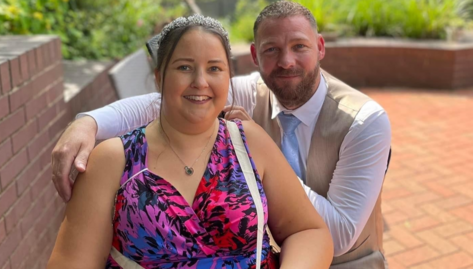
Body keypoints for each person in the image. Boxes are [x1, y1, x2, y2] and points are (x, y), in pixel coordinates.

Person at [52, 1, 391, 268]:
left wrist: (265, 164)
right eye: (184, 67)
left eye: (214, 68)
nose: (201, 81)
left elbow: (331, 233)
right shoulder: (112, 161)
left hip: (350, 262)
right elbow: (150, 106)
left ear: (320, 47)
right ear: (159, 77)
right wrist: (87, 122)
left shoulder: (363, 121)